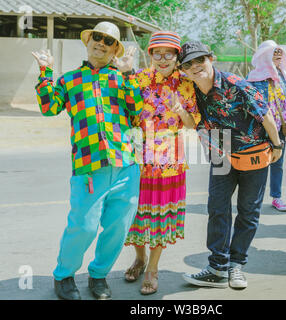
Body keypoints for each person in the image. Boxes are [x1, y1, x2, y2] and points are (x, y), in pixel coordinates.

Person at [32, 21, 143, 300]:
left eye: (108, 41)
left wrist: (128, 75)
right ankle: (64, 275)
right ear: (88, 40)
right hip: (88, 166)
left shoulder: (123, 78)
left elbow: (138, 113)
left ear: (115, 49)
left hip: (125, 165)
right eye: (97, 37)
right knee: (83, 226)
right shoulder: (69, 80)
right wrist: (45, 71)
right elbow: (49, 108)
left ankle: (99, 275)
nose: (101, 44)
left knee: (118, 227)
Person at [179, 41, 282, 289]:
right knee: (217, 207)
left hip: (253, 150)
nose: (196, 67)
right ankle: (217, 267)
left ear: (211, 58)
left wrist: (277, 146)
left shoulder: (236, 84)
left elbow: (266, 114)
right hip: (219, 150)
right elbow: (194, 124)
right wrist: (180, 112)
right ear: (183, 69)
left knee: (248, 211)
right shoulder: (189, 91)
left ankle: (236, 266)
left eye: (200, 60)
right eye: (188, 64)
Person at [123, 31, 200, 295]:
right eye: (158, 53)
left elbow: (192, 125)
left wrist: (181, 112)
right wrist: (123, 72)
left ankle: (152, 268)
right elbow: (123, 107)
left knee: (159, 217)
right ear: (150, 54)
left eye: (169, 53)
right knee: (135, 214)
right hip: (137, 158)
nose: (163, 58)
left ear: (177, 57)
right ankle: (140, 257)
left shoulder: (186, 84)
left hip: (170, 161)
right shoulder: (139, 78)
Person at [246, 40, 286, 212]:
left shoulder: (282, 76)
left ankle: (276, 197)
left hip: (280, 128)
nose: (279, 57)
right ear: (265, 57)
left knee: (278, 162)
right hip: (261, 128)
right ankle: (252, 197)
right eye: (275, 54)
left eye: (280, 55)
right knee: (259, 162)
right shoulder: (254, 78)